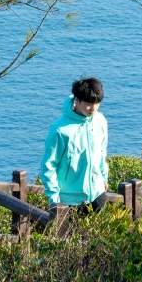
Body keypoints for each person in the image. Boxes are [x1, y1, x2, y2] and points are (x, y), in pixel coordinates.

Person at [40, 76, 109, 212]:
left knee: (101, 233)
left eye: (97, 103)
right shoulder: (60, 129)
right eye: (88, 103)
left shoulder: (100, 121)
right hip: (69, 201)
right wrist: (54, 200)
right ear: (77, 100)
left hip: (98, 194)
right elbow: (49, 165)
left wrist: (104, 177)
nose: (93, 108)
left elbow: (102, 152)